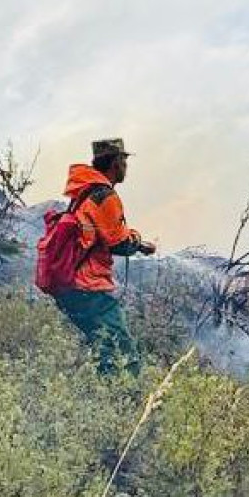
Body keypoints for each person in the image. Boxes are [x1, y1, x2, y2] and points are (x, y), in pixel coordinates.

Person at [52, 138, 156, 375]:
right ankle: (124, 402)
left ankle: (98, 397)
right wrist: (139, 242)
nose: (126, 167)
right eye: (124, 161)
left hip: (70, 286)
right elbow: (118, 242)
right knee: (123, 351)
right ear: (115, 163)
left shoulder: (84, 193)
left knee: (103, 346)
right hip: (87, 287)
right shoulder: (105, 196)